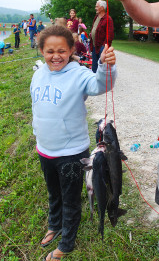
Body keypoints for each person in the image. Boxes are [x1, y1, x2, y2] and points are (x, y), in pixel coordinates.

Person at [30, 25, 117, 261]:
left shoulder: (78, 74)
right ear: (41, 51)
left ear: (70, 50)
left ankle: (67, 243)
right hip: (45, 149)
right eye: (49, 51)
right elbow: (36, 107)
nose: (55, 56)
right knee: (53, 192)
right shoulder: (38, 74)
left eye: (61, 50)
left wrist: (106, 66)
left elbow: (101, 85)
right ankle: (54, 224)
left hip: (71, 152)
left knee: (70, 199)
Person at [90, 0, 114, 73]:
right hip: (94, 46)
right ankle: (94, 82)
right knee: (94, 67)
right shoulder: (96, 17)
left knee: (102, 67)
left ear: (102, 8)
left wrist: (104, 47)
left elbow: (110, 35)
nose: (95, 8)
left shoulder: (108, 19)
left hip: (101, 47)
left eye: (97, 6)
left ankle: (102, 82)